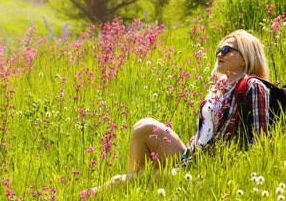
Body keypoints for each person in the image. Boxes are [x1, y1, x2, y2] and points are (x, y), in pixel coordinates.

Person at [93, 30, 270, 190]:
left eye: (226, 50)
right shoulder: (219, 85)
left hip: (210, 169)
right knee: (143, 126)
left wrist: (238, 178)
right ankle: (138, 189)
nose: (219, 53)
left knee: (117, 182)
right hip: (191, 159)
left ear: (245, 58)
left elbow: (260, 141)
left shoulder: (253, 86)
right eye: (218, 48)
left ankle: (104, 193)